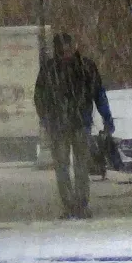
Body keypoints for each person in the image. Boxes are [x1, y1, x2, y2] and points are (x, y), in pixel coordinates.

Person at [34, 33, 115, 219]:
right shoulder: (82, 68)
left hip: (74, 124)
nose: (66, 53)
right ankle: (74, 205)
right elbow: (98, 94)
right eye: (63, 50)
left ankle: (77, 204)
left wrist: (47, 119)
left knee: (74, 167)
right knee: (72, 167)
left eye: (67, 49)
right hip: (70, 123)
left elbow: (40, 97)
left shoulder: (55, 70)